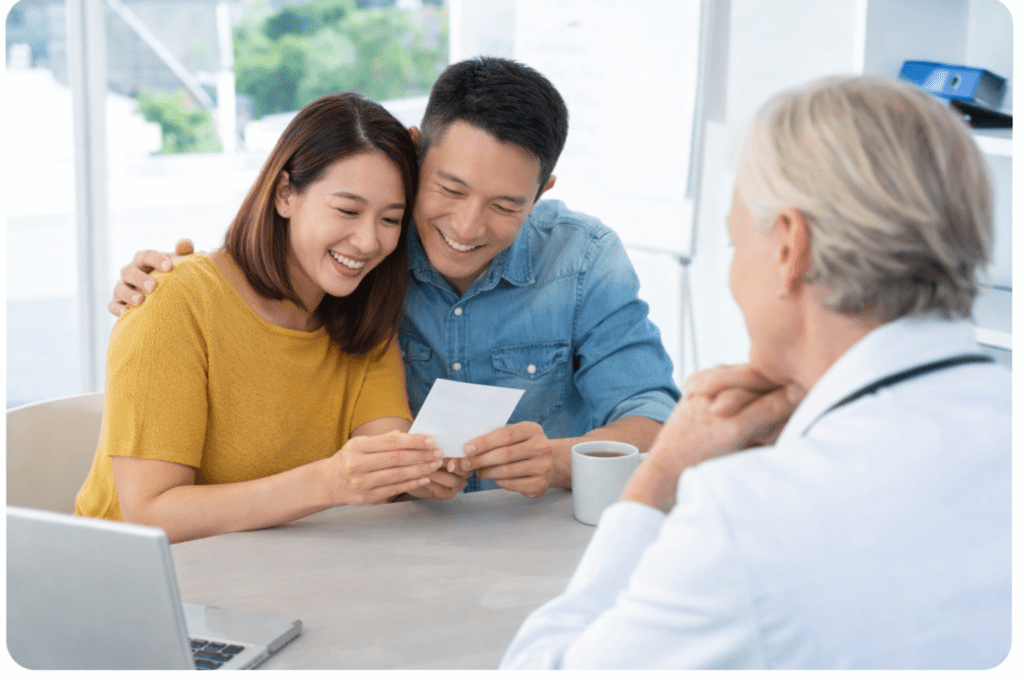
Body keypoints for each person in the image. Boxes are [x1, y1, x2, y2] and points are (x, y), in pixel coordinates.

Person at [500, 75, 1011, 669]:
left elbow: (541, 670)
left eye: (736, 244)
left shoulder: (747, 517)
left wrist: (654, 482)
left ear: (790, 248)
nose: (735, 274)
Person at [108, 57, 681, 498]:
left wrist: (559, 460)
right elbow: (274, 264)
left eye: (506, 206)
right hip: (390, 547)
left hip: (534, 538)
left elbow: (656, 420)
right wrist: (170, 279)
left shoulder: (583, 259)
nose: (467, 225)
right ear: (415, 153)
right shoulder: (365, 260)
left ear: (541, 193)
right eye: (449, 189)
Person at [76, 93, 468, 544]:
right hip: (135, 587)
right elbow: (151, 513)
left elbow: (381, 461)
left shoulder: (365, 323)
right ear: (285, 194)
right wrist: (328, 482)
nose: (367, 240)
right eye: (347, 210)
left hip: (276, 581)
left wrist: (415, 476)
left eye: (390, 219)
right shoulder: (174, 302)